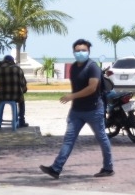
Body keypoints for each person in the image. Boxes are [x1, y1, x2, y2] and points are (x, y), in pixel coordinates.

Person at [40, 38, 114, 179]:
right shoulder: (73, 67)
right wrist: (73, 98)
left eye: (83, 50)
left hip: (94, 110)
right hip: (77, 111)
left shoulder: (93, 67)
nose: (80, 53)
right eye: (78, 50)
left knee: (102, 138)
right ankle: (56, 169)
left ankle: (108, 167)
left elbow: (92, 88)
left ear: (89, 51)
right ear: (73, 52)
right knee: (68, 139)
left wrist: (71, 96)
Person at [0, 54, 28, 128]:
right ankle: (22, 121)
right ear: (12, 61)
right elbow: (23, 84)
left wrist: (0, 62)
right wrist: (23, 91)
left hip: (1, 96)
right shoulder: (18, 69)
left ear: (4, 61)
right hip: (16, 96)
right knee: (21, 101)